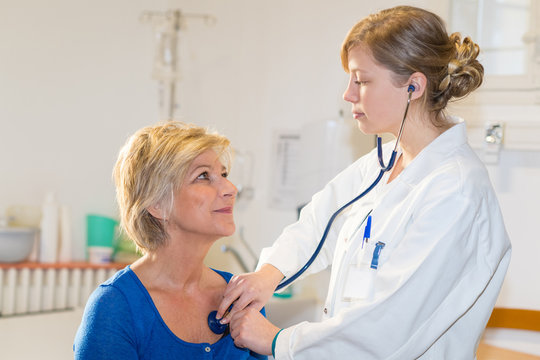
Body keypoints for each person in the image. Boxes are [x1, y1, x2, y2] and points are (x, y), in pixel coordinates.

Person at [216, 6, 511, 359]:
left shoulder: (456, 191)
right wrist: (269, 274)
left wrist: (279, 342)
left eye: (362, 80)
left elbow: (389, 325)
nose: (348, 94)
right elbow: (319, 223)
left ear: (413, 86)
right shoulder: (383, 164)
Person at [74, 121, 267, 360]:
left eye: (224, 174)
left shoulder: (242, 297)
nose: (230, 188)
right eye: (204, 176)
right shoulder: (115, 308)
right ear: (157, 203)